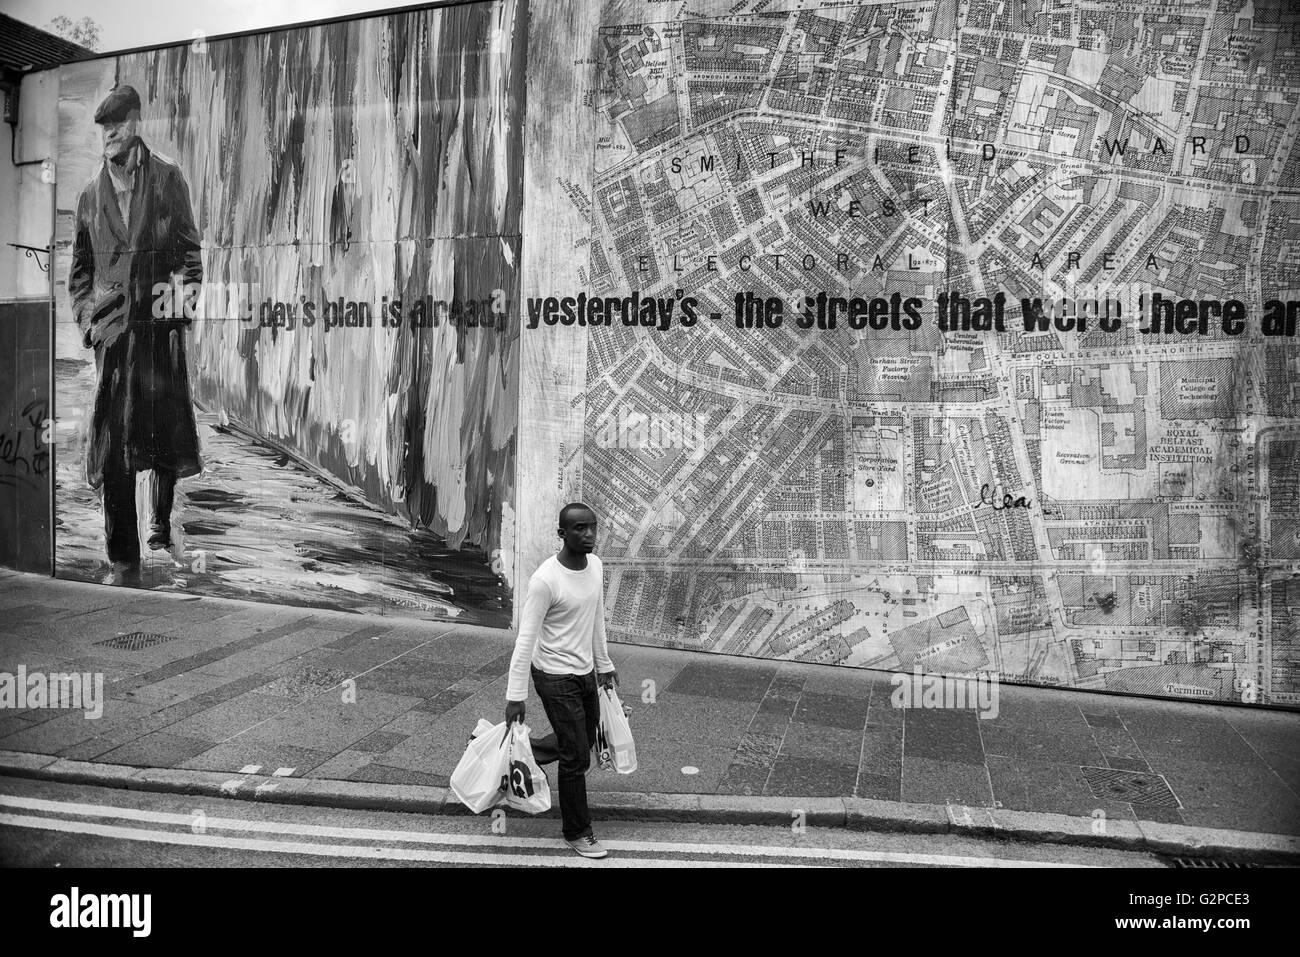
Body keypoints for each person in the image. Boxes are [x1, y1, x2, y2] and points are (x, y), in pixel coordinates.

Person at [67, 84, 204, 586]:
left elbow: (190, 255)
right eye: (103, 129)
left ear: (137, 123)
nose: (110, 136)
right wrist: (90, 325)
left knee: (163, 433)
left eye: (117, 126)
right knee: (114, 445)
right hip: (114, 341)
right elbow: (80, 272)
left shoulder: (167, 179)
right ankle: (123, 555)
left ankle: (161, 523)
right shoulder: (88, 196)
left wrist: (178, 310)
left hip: (158, 334)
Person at [505, 502, 618, 858]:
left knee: (583, 739)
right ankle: (577, 831)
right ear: (562, 534)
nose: (588, 535)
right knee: (575, 757)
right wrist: (515, 696)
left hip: (584, 671)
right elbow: (525, 640)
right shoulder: (545, 580)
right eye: (579, 529)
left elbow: (596, 618)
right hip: (553, 675)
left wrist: (605, 665)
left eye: (592, 528)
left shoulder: (596, 567)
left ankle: (527, 753)